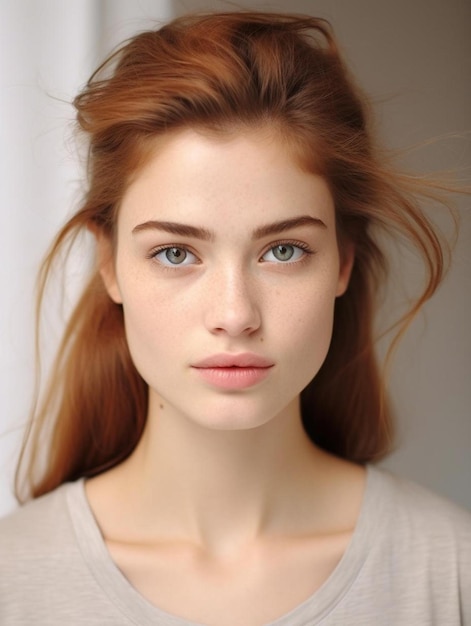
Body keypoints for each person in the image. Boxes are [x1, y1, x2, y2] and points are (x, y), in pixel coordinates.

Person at [0, 11, 469, 626]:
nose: (234, 314)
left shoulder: (452, 572)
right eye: (176, 253)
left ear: (342, 262)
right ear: (109, 263)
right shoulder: (13, 582)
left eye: (283, 251)